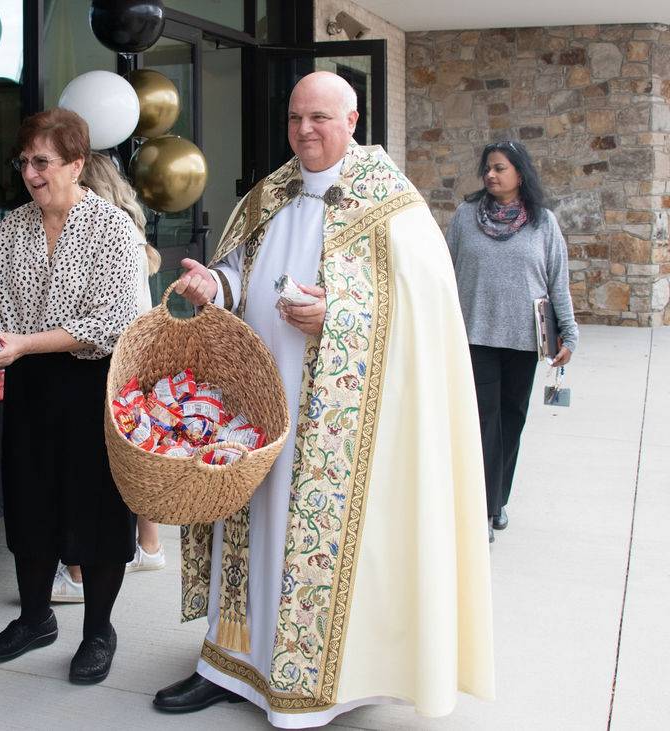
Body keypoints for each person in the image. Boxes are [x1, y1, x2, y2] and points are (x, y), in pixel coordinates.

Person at [153, 71, 495, 727]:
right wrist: (214, 287)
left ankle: (317, 683)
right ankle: (228, 664)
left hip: (337, 421)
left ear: (353, 120)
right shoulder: (269, 195)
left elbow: (423, 318)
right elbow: (239, 274)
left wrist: (335, 318)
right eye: (295, 118)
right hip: (255, 406)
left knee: (306, 542)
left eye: (319, 118)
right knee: (245, 528)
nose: (304, 130)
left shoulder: (392, 208)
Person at [0, 108, 141, 684]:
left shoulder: (112, 228)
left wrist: (21, 344)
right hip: (30, 381)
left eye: (42, 161)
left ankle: (98, 631)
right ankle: (35, 618)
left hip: (92, 383)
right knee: (30, 501)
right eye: (24, 162)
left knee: (97, 509)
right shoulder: (13, 227)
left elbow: (112, 323)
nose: (31, 173)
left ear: (77, 164)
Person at [446, 140, 578, 542]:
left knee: (511, 420)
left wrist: (569, 332)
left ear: (520, 174)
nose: (490, 175)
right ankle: (484, 510)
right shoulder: (465, 217)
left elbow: (557, 281)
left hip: (524, 340)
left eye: (499, 168)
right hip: (475, 336)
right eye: (487, 168)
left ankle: (498, 499)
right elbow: (445, 272)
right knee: (484, 422)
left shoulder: (543, 222)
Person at [49, 152, 166, 602]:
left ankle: (78, 573)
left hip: (107, 359)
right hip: (138, 354)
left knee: (87, 465)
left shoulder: (99, 233)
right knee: (130, 456)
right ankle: (149, 546)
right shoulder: (131, 233)